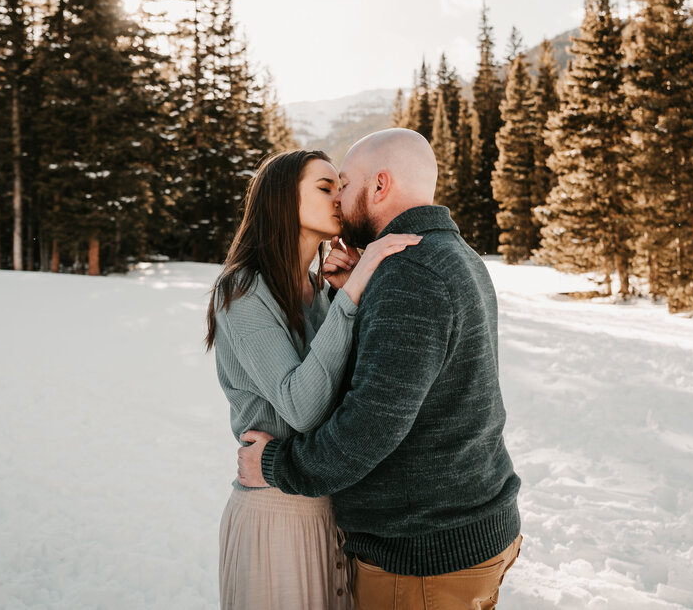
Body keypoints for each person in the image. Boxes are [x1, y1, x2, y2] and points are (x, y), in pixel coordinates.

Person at [237, 128, 523, 610]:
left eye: (343, 185)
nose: (338, 199)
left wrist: (274, 464)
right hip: (472, 530)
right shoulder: (454, 255)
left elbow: (370, 426)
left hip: (423, 557)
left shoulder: (407, 274)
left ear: (380, 186)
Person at [207, 148, 422, 610]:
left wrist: (343, 295)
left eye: (340, 186)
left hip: (333, 512)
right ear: (283, 202)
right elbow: (301, 407)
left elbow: (351, 398)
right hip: (276, 513)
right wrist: (357, 287)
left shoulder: (320, 290)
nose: (340, 198)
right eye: (325, 188)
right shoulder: (241, 290)